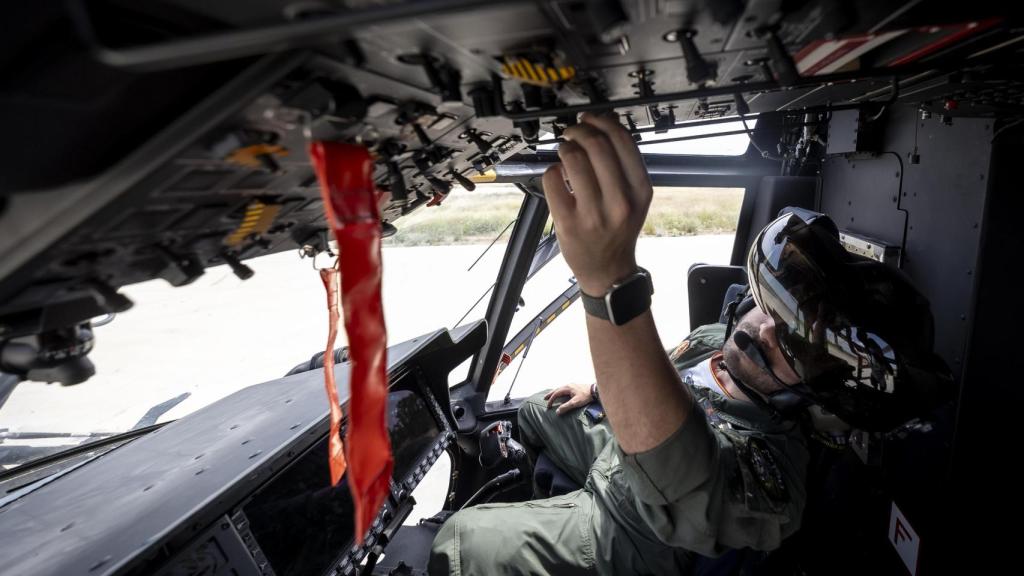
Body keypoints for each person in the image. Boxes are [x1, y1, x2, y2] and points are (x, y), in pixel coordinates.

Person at [428, 113, 952, 575]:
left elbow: (682, 476)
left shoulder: (775, 483)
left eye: (801, 347)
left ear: (819, 394)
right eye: (777, 307)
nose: (767, 330)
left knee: (462, 543)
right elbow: (668, 378)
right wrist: (599, 390)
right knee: (536, 410)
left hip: (633, 526)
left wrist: (610, 283)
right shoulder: (715, 342)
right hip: (619, 452)